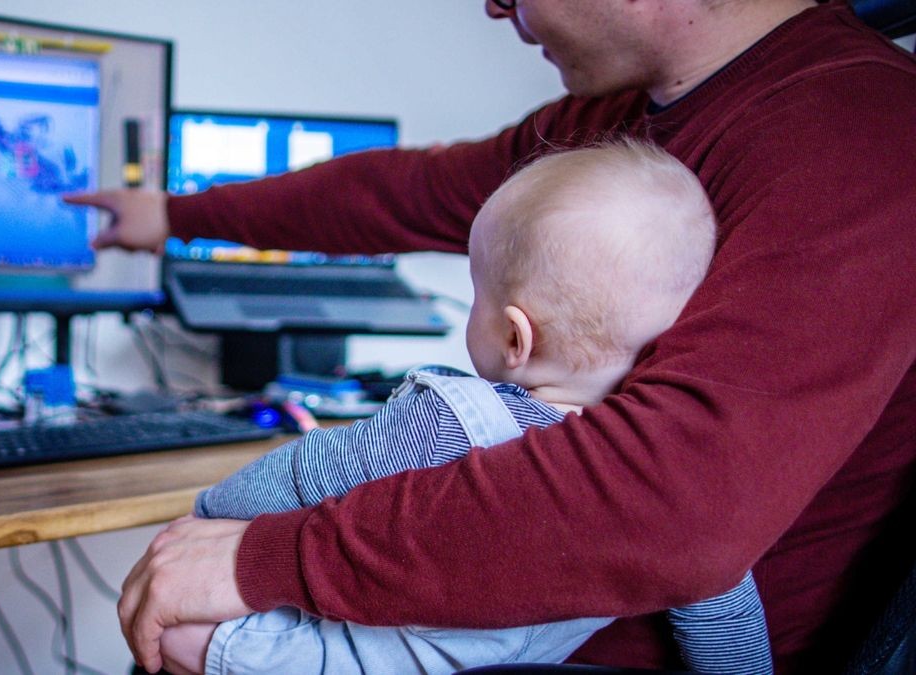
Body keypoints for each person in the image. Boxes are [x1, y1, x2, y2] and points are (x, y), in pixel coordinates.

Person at [69, 1, 916, 671]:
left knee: (186, 629)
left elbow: (676, 509)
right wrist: (175, 216)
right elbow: (402, 193)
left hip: (614, 649)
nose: (489, 8)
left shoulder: (858, 132)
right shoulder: (619, 118)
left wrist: (266, 556)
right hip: (535, 613)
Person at [155, 140, 771, 675]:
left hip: (369, 655)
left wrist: (211, 515)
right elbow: (724, 608)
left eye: (477, 292)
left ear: (514, 338)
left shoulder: (453, 420)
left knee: (174, 628)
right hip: (515, 665)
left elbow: (305, 474)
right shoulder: (667, 483)